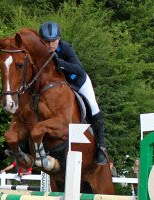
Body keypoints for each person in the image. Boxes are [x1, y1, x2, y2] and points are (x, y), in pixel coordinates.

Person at [39, 21, 107, 165]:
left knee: (94, 108)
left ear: (58, 39)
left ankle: (101, 147)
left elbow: (79, 69)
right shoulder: (40, 53)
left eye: (53, 41)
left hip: (77, 82)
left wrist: (59, 62)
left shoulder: (66, 49)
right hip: (57, 88)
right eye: (47, 41)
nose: (50, 44)